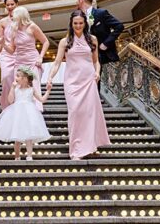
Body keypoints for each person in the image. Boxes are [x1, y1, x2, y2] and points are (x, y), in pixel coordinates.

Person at [46, 10, 111, 160]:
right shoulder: (65, 41)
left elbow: (96, 61)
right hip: (72, 82)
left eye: (81, 23)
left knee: (89, 115)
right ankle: (76, 149)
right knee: (75, 114)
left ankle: (91, 146)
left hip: (88, 80)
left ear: (85, 23)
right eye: (75, 23)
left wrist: (97, 72)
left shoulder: (92, 39)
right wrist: (50, 77)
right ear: (71, 23)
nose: (78, 26)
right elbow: (57, 63)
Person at [0, 66, 52, 161]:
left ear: (24, 79)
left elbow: (42, 99)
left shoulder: (31, 89)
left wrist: (48, 90)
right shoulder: (16, 89)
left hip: (29, 114)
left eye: (18, 76)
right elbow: (10, 101)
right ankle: (17, 156)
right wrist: (12, 88)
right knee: (17, 136)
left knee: (29, 136)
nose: (16, 78)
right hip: (17, 113)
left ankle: (29, 155)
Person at [75, 0, 124, 92]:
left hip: (98, 55)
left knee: (94, 82)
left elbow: (119, 26)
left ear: (81, 0)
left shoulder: (101, 14)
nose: (76, 1)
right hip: (82, 55)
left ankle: (94, 106)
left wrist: (106, 43)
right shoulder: (78, 17)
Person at [5, 6, 51, 111]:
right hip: (19, 63)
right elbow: (12, 50)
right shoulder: (14, 29)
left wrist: (41, 57)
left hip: (32, 62)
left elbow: (46, 42)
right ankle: (21, 114)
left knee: (34, 87)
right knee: (18, 88)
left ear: (21, 16)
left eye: (14, 16)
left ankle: (35, 114)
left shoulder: (32, 27)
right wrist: (3, 45)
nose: (12, 18)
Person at [0, 0, 19, 107]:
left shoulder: (21, 20)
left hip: (18, 54)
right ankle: (7, 104)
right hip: (6, 54)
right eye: (7, 5)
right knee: (6, 78)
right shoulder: (3, 22)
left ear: (17, 4)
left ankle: (18, 104)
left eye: (12, 4)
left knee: (18, 80)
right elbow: (0, 40)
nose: (10, 7)